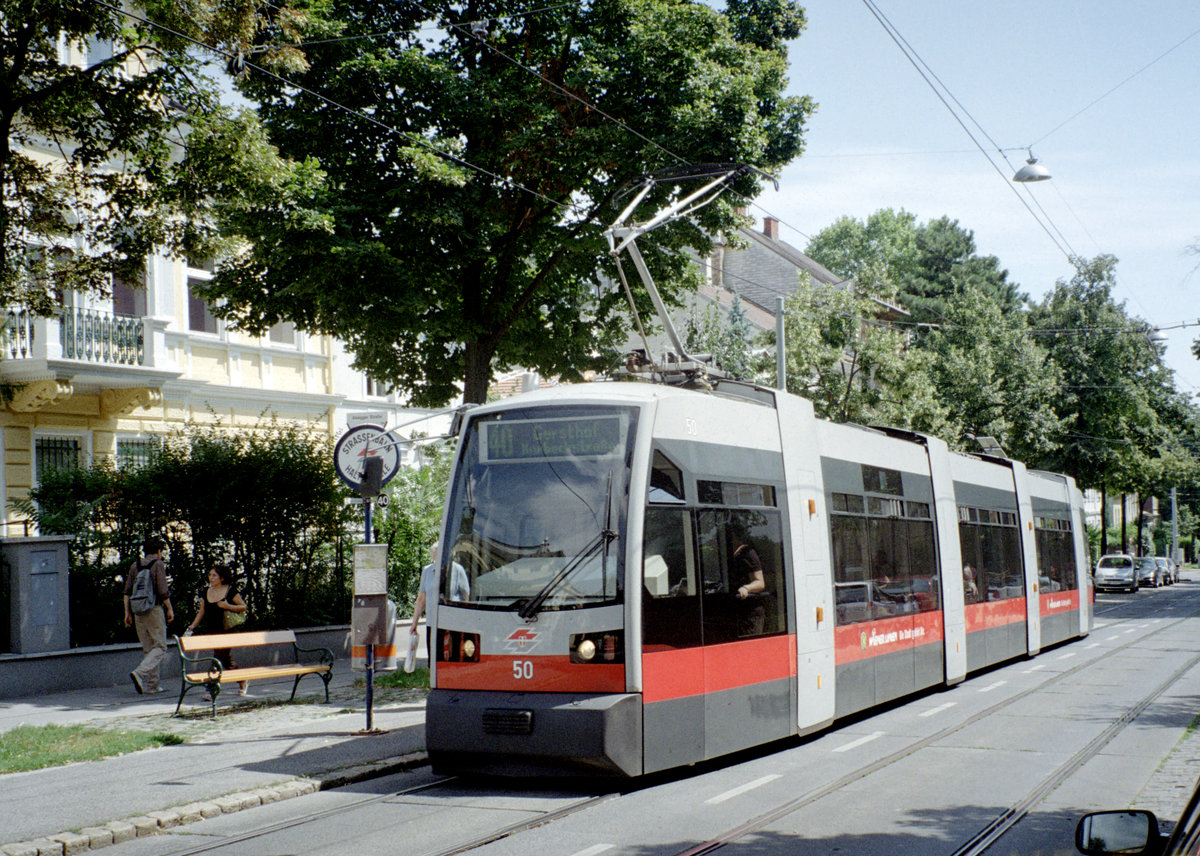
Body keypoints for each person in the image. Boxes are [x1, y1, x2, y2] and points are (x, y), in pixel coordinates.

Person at [184, 563, 249, 696]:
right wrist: (192, 627)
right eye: (210, 575)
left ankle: (211, 689)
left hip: (228, 631)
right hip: (213, 631)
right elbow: (201, 612)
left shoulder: (230, 590)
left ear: (222, 578)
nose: (211, 578)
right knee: (225, 660)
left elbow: (243, 607)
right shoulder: (205, 591)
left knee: (217, 658)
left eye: (214, 575)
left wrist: (227, 606)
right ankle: (243, 679)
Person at [123, 536, 174, 694]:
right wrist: (170, 609)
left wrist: (127, 613)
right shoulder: (157, 564)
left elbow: (127, 592)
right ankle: (140, 673)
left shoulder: (135, 565)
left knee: (148, 648)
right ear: (159, 551)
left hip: (138, 611)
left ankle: (153, 685)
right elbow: (162, 590)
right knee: (160, 646)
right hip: (153, 609)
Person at [728, 523, 766, 637]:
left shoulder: (747, 553)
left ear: (734, 535)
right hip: (738, 612)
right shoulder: (732, 555)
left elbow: (760, 582)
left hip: (752, 614)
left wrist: (746, 588)